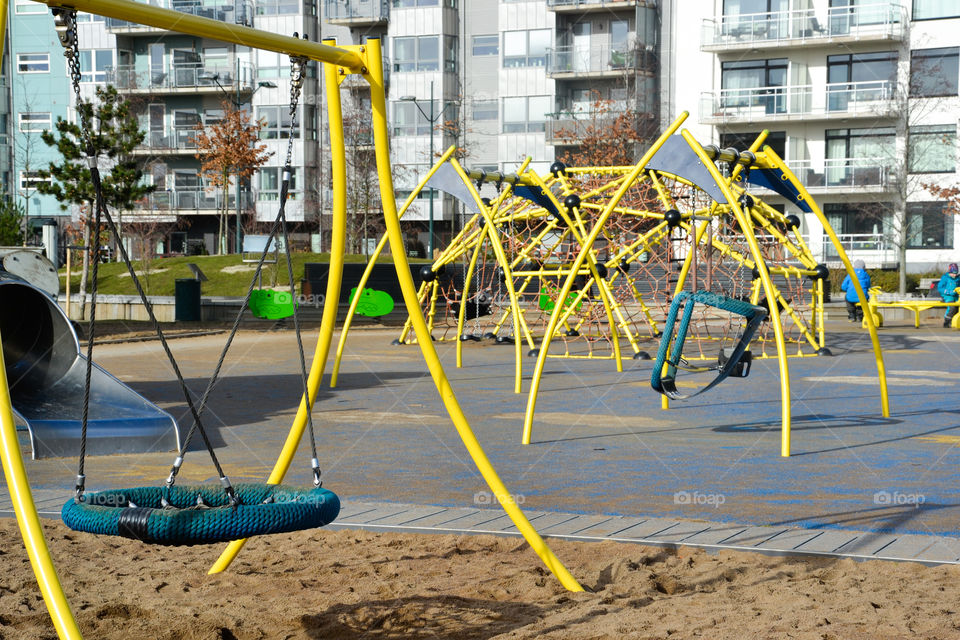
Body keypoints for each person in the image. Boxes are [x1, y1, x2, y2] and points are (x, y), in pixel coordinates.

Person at [937, 263, 960, 327]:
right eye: (953, 273)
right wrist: (948, 292)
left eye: (956, 273)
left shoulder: (958, 279)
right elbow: (940, 288)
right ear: (949, 272)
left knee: (958, 308)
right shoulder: (945, 278)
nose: (954, 275)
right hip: (947, 296)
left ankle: (955, 321)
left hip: (956, 296)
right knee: (952, 307)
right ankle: (947, 321)